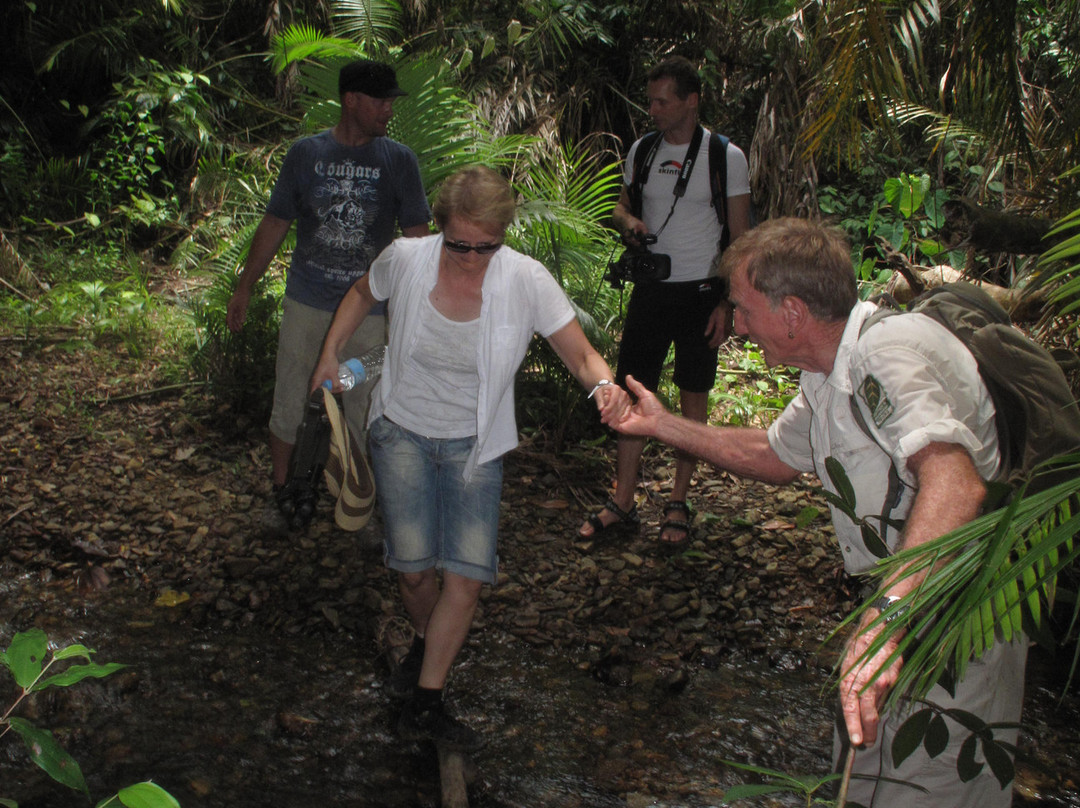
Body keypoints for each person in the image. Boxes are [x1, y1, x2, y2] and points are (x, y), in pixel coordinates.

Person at [611, 217, 1027, 807]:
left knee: (927, 788)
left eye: (742, 309)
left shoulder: (888, 354)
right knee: (859, 783)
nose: (734, 327)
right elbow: (777, 455)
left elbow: (956, 486)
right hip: (899, 612)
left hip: (957, 621)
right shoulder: (827, 372)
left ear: (792, 313)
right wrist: (660, 424)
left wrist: (885, 620)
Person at [311, 165, 631, 751]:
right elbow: (362, 291)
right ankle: (422, 638)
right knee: (411, 571)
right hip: (402, 429)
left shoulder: (525, 280)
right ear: (440, 229)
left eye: (487, 246)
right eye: (459, 244)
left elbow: (581, 354)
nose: (471, 257)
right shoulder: (406, 258)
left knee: (466, 573)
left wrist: (603, 388)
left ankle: (428, 701)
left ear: (503, 234)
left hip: (476, 443)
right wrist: (330, 352)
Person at [226, 59, 432, 525]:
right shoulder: (306, 154)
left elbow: (418, 241)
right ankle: (284, 491)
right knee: (293, 399)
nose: (388, 110)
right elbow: (276, 223)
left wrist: (417, 313)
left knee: (367, 408)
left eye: (390, 101)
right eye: (380, 100)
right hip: (307, 302)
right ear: (351, 100)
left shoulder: (400, 161)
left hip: (371, 314)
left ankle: (357, 500)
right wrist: (244, 288)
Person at [578, 55, 752, 546]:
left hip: (702, 293)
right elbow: (620, 205)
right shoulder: (643, 151)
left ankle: (678, 499)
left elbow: (740, 237)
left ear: (690, 101)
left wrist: (728, 303)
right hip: (651, 290)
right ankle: (624, 499)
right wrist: (627, 222)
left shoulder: (725, 157)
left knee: (694, 395)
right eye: (650, 99)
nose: (652, 108)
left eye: (662, 100)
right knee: (634, 391)